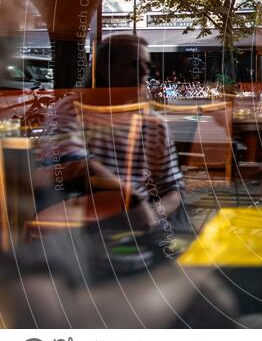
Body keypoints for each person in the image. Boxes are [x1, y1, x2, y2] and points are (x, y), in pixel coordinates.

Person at [43, 34, 188, 231]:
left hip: (136, 226)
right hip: (79, 227)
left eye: (148, 66)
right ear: (104, 68)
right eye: (134, 64)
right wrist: (133, 200)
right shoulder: (69, 111)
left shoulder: (154, 123)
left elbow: (173, 189)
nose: (145, 73)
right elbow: (80, 166)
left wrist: (152, 216)